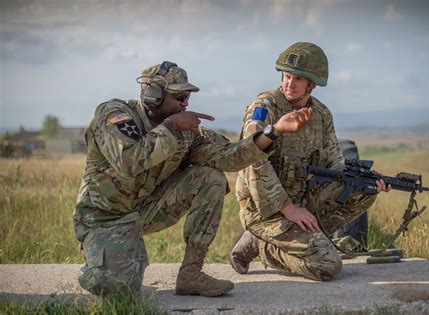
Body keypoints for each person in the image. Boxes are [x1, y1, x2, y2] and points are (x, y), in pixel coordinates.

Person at [73, 61, 313, 297]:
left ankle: (191, 274)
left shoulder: (186, 133)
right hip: (104, 217)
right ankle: (101, 259)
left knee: (210, 177)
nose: (185, 103)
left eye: (187, 97)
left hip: (145, 210)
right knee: (119, 290)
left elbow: (230, 157)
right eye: (179, 97)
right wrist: (170, 126)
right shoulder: (115, 115)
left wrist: (274, 131)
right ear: (154, 94)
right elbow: (129, 161)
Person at [231, 42, 391, 281]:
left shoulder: (322, 114)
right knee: (327, 266)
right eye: (287, 76)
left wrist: (368, 180)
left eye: (298, 79)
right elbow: (252, 162)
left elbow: (335, 163)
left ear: (312, 84)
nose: (289, 84)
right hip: (265, 209)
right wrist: (288, 209)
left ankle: (310, 237)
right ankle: (265, 245)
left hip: (303, 202)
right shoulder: (265, 107)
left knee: (363, 190)